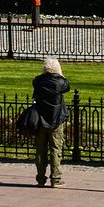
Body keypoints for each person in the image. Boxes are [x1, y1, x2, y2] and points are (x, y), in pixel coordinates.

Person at [31, 56, 70, 187]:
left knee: (40, 150)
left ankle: (41, 178)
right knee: (55, 149)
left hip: (41, 119)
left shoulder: (37, 81)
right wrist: (60, 74)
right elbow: (67, 85)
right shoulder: (60, 83)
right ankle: (56, 178)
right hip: (56, 119)